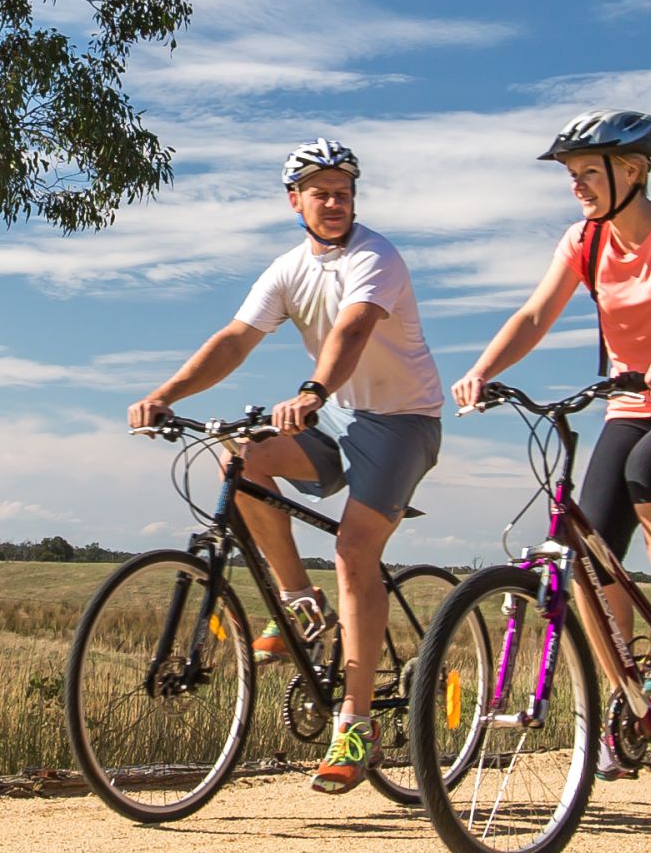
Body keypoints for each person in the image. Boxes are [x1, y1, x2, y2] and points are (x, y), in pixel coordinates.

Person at [128, 136, 445, 792]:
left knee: (357, 551)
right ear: (293, 199)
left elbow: (353, 330)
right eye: (320, 192)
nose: (334, 202)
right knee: (241, 460)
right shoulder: (284, 271)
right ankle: (301, 603)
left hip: (401, 420)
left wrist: (311, 393)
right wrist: (165, 396)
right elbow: (234, 340)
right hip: (333, 414)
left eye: (344, 191)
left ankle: (355, 725)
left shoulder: (375, 257)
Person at [453, 111, 651, 759]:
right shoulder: (583, 243)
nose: (577, 186)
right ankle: (631, 702)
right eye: (572, 174)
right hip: (628, 406)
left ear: (634, 170)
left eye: (589, 172)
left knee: (650, 470)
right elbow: (535, 314)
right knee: (586, 559)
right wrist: (482, 370)